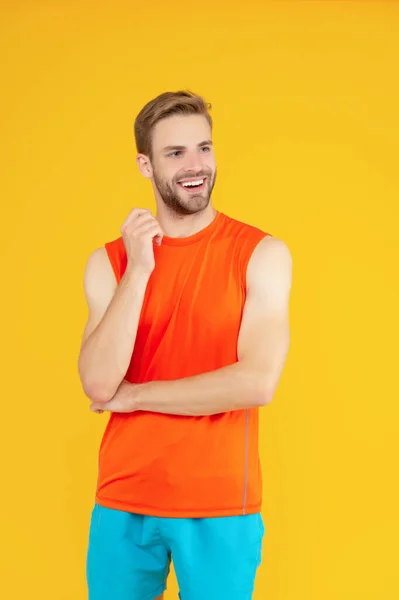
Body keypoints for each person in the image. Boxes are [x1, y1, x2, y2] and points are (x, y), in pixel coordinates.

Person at [78, 90, 292, 600]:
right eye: (175, 153)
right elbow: (98, 381)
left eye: (204, 148)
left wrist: (135, 396)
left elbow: (257, 382)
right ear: (145, 164)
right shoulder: (109, 262)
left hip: (219, 504)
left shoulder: (261, 253)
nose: (196, 166)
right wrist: (141, 269)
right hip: (122, 498)